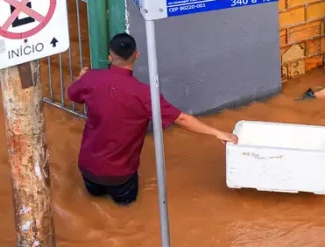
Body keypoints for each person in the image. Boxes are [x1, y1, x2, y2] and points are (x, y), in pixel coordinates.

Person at [66, 33, 237, 206]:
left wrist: (81, 77)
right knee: (126, 209)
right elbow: (182, 119)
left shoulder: (91, 79)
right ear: (137, 55)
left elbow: (72, 94)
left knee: (93, 204)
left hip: (88, 168)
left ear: (110, 58)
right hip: (121, 175)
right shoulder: (144, 94)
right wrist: (217, 133)